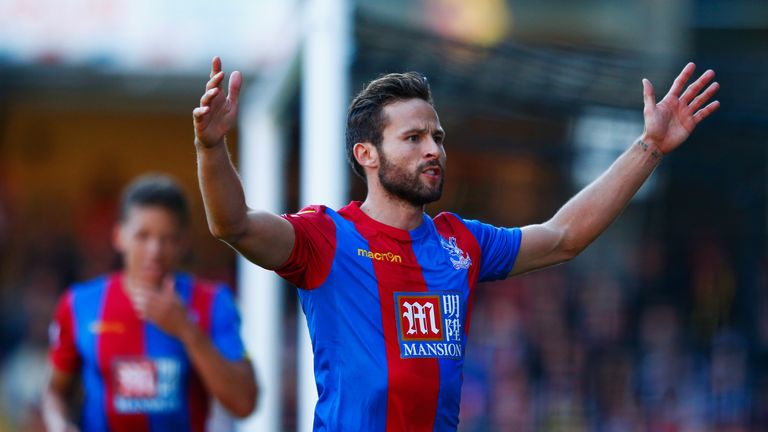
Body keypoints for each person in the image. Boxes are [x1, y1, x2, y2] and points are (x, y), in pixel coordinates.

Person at [192, 57, 719, 430]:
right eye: (413, 138)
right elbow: (233, 225)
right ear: (366, 155)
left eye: (437, 137)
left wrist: (650, 146)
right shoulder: (327, 237)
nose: (432, 150)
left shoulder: (460, 243)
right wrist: (211, 146)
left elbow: (564, 237)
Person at [43, 174, 258, 432]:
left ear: (182, 243)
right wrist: (59, 424)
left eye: (167, 239)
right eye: (142, 236)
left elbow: (244, 402)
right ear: (119, 236)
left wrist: (187, 329)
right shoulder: (79, 304)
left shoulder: (212, 303)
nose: (155, 251)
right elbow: (54, 392)